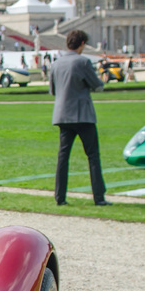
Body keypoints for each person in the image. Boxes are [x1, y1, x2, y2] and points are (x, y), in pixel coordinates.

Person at [49, 29, 109, 207]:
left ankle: (60, 196)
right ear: (82, 43)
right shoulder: (83, 62)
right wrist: (103, 80)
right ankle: (98, 196)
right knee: (92, 156)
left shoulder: (57, 63)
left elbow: (53, 91)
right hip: (82, 115)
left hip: (62, 115)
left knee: (63, 157)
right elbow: (97, 86)